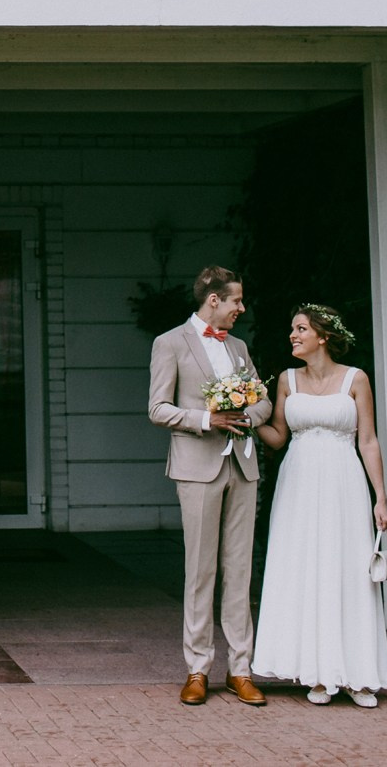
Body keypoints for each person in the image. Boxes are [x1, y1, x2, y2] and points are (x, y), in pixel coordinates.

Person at [250, 304, 387, 706]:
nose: (293, 335)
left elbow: (367, 440)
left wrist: (380, 498)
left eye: (300, 329)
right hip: (297, 482)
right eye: (292, 329)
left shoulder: (356, 379)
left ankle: (358, 676)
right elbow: (279, 436)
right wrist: (243, 416)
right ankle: (316, 674)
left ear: (323, 336)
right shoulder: (286, 380)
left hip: (343, 483)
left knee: (348, 571)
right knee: (304, 569)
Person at [147, 265, 272, 707]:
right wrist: (207, 419)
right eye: (236, 300)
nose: (242, 307)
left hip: (243, 467)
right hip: (197, 467)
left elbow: (265, 401)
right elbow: (158, 408)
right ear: (213, 300)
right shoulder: (170, 343)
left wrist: (245, 416)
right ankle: (197, 668)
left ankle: (241, 669)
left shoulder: (238, 346)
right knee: (200, 571)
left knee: (240, 571)